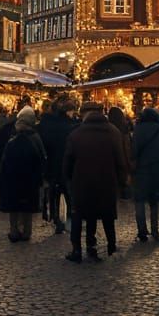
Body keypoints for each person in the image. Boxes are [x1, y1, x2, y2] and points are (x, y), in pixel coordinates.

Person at [63, 102, 128, 262]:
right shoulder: (113, 132)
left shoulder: (76, 134)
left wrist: (69, 179)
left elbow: (68, 161)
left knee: (80, 215)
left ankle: (77, 250)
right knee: (107, 216)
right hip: (107, 182)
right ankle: (111, 247)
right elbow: (120, 160)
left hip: (82, 182)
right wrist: (121, 182)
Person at [0, 106, 45, 242]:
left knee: (14, 208)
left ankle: (14, 231)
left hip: (13, 180)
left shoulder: (11, 143)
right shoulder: (35, 139)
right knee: (27, 208)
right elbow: (40, 159)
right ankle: (26, 232)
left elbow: (4, 163)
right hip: (29, 180)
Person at [36, 99, 78, 234]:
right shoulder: (69, 125)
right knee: (67, 192)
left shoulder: (46, 124)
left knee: (54, 193)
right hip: (65, 164)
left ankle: (55, 218)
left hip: (51, 164)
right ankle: (71, 218)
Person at [131, 107, 159, 242]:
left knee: (139, 200)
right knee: (154, 201)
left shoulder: (138, 129)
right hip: (157, 168)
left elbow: (134, 149)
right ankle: (155, 230)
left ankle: (142, 231)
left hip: (142, 169)